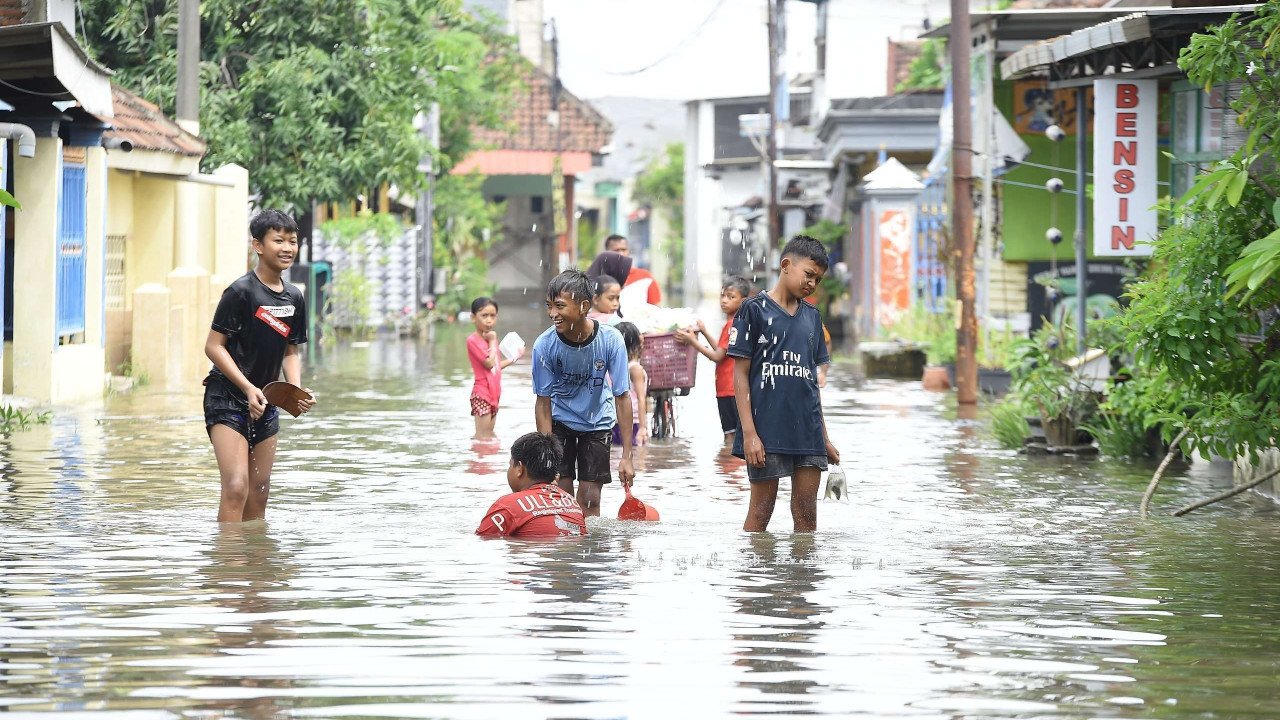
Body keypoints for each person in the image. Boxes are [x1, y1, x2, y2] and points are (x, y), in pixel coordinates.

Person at [203, 209, 316, 523]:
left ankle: (256, 564)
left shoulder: (294, 297)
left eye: (292, 241)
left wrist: (293, 389)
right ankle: (229, 562)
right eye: (278, 240)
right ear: (258, 245)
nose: (287, 248)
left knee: (260, 489)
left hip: (265, 402)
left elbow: (290, 351)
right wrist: (247, 387)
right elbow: (213, 346)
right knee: (237, 486)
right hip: (227, 398)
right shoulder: (240, 292)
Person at [727, 235, 840, 533]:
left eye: (818, 279)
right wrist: (750, 434)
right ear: (786, 265)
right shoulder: (753, 310)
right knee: (760, 514)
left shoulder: (813, 318)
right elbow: (740, 375)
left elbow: (811, 384)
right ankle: (752, 577)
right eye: (809, 274)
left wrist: (824, 437)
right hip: (766, 431)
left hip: (808, 431)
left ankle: (802, 578)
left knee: (806, 518)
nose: (812, 284)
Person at [533, 269, 637, 516]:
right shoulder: (544, 345)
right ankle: (567, 552)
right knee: (563, 497)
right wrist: (548, 457)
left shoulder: (611, 340)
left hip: (598, 422)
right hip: (559, 421)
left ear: (583, 306)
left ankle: (588, 553)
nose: (552, 314)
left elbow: (622, 396)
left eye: (559, 306)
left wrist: (627, 456)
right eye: (549, 306)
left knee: (590, 499)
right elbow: (543, 402)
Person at [675, 275, 751, 442]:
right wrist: (704, 331)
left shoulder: (733, 325)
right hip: (732, 388)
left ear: (743, 301)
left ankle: (729, 466)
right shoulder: (736, 322)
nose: (724, 300)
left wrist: (693, 342)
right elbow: (722, 349)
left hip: (729, 389)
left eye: (731, 297)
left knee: (730, 436)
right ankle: (732, 466)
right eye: (722, 295)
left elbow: (717, 356)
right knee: (735, 434)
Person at [476, 431, 587, 539]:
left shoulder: (507, 506)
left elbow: (483, 539)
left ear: (519, 468)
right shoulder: (573, 505)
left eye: (510, 465)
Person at [467, 297, 522, 439]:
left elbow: (496, 366)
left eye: (492, 316)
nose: (489, 320)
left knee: (489, 435)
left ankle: (486, 460)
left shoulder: (492, 339)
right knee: (483, 437)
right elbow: (489, 363)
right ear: (473, 317)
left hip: (494, 393)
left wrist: (514, 358)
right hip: (482, 393)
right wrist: (492, 341)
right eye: (484, 315)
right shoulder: (473, 340)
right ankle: (477, 460)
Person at [612, 322, 649, 447]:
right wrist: (643, 427)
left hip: (617, 420)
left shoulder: (617, 366)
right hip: (632, 422)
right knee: (635, 460)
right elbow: (640, 398)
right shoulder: (635, 368)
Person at [603, 234, 662, 305]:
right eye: (616, 250)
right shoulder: (598, 278)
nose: (621, 254)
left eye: (623, 250)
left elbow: (656, 308)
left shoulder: (645, 277)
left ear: (628, 251)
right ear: (606, 253)